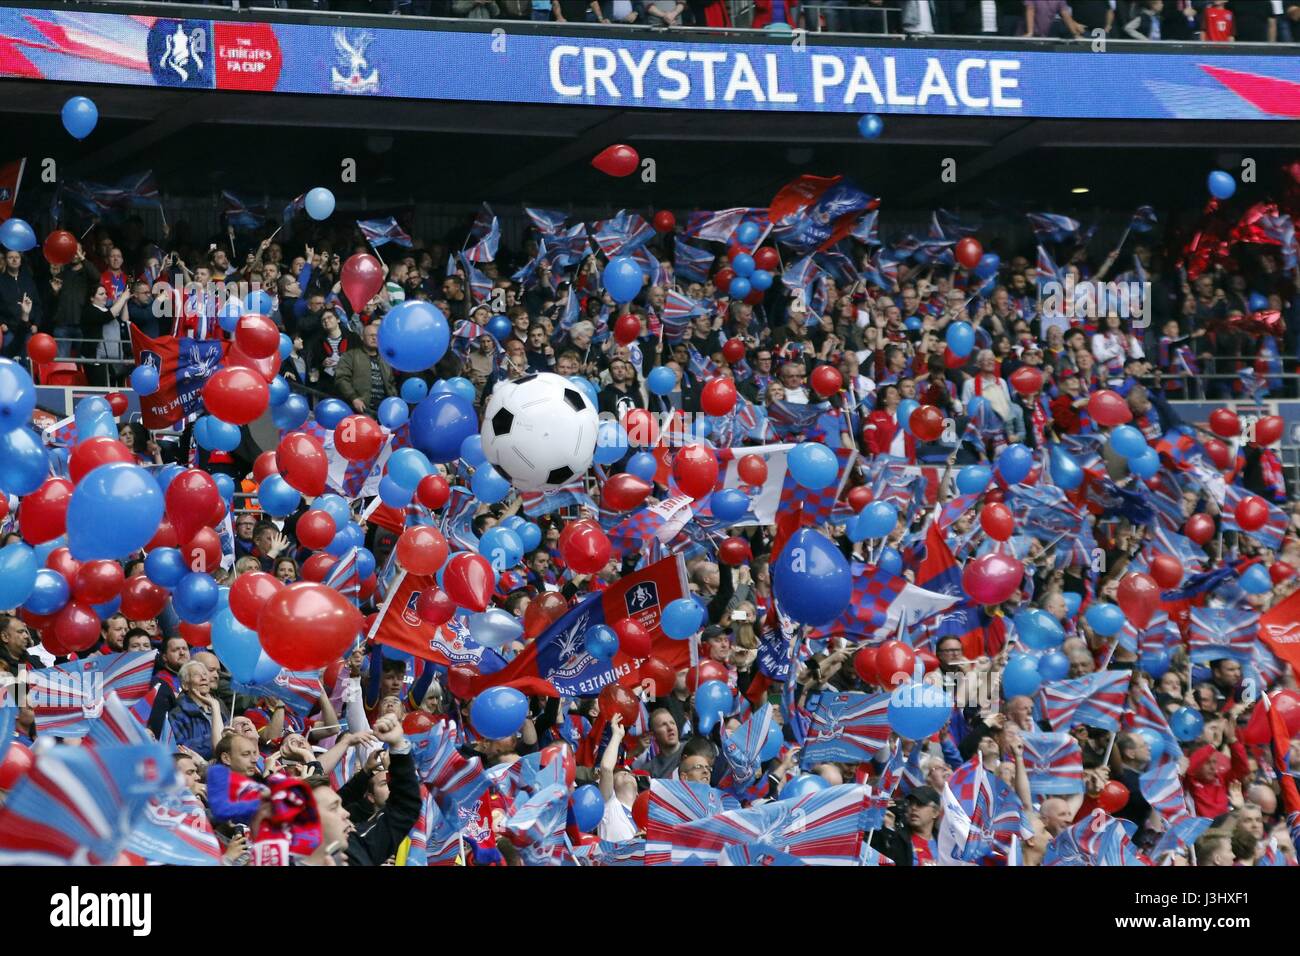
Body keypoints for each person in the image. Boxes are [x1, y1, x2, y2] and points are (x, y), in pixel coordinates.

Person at [334, 321, 397, 417]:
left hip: (384, 411)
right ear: (362, 337)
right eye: (371, 335)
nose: (374, 338)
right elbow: (341, 378)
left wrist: (393, 401)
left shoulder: (385, 359)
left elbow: (391, 383)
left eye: (376, 336)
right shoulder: (350, 355)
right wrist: (353, 398)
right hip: (361, 409)